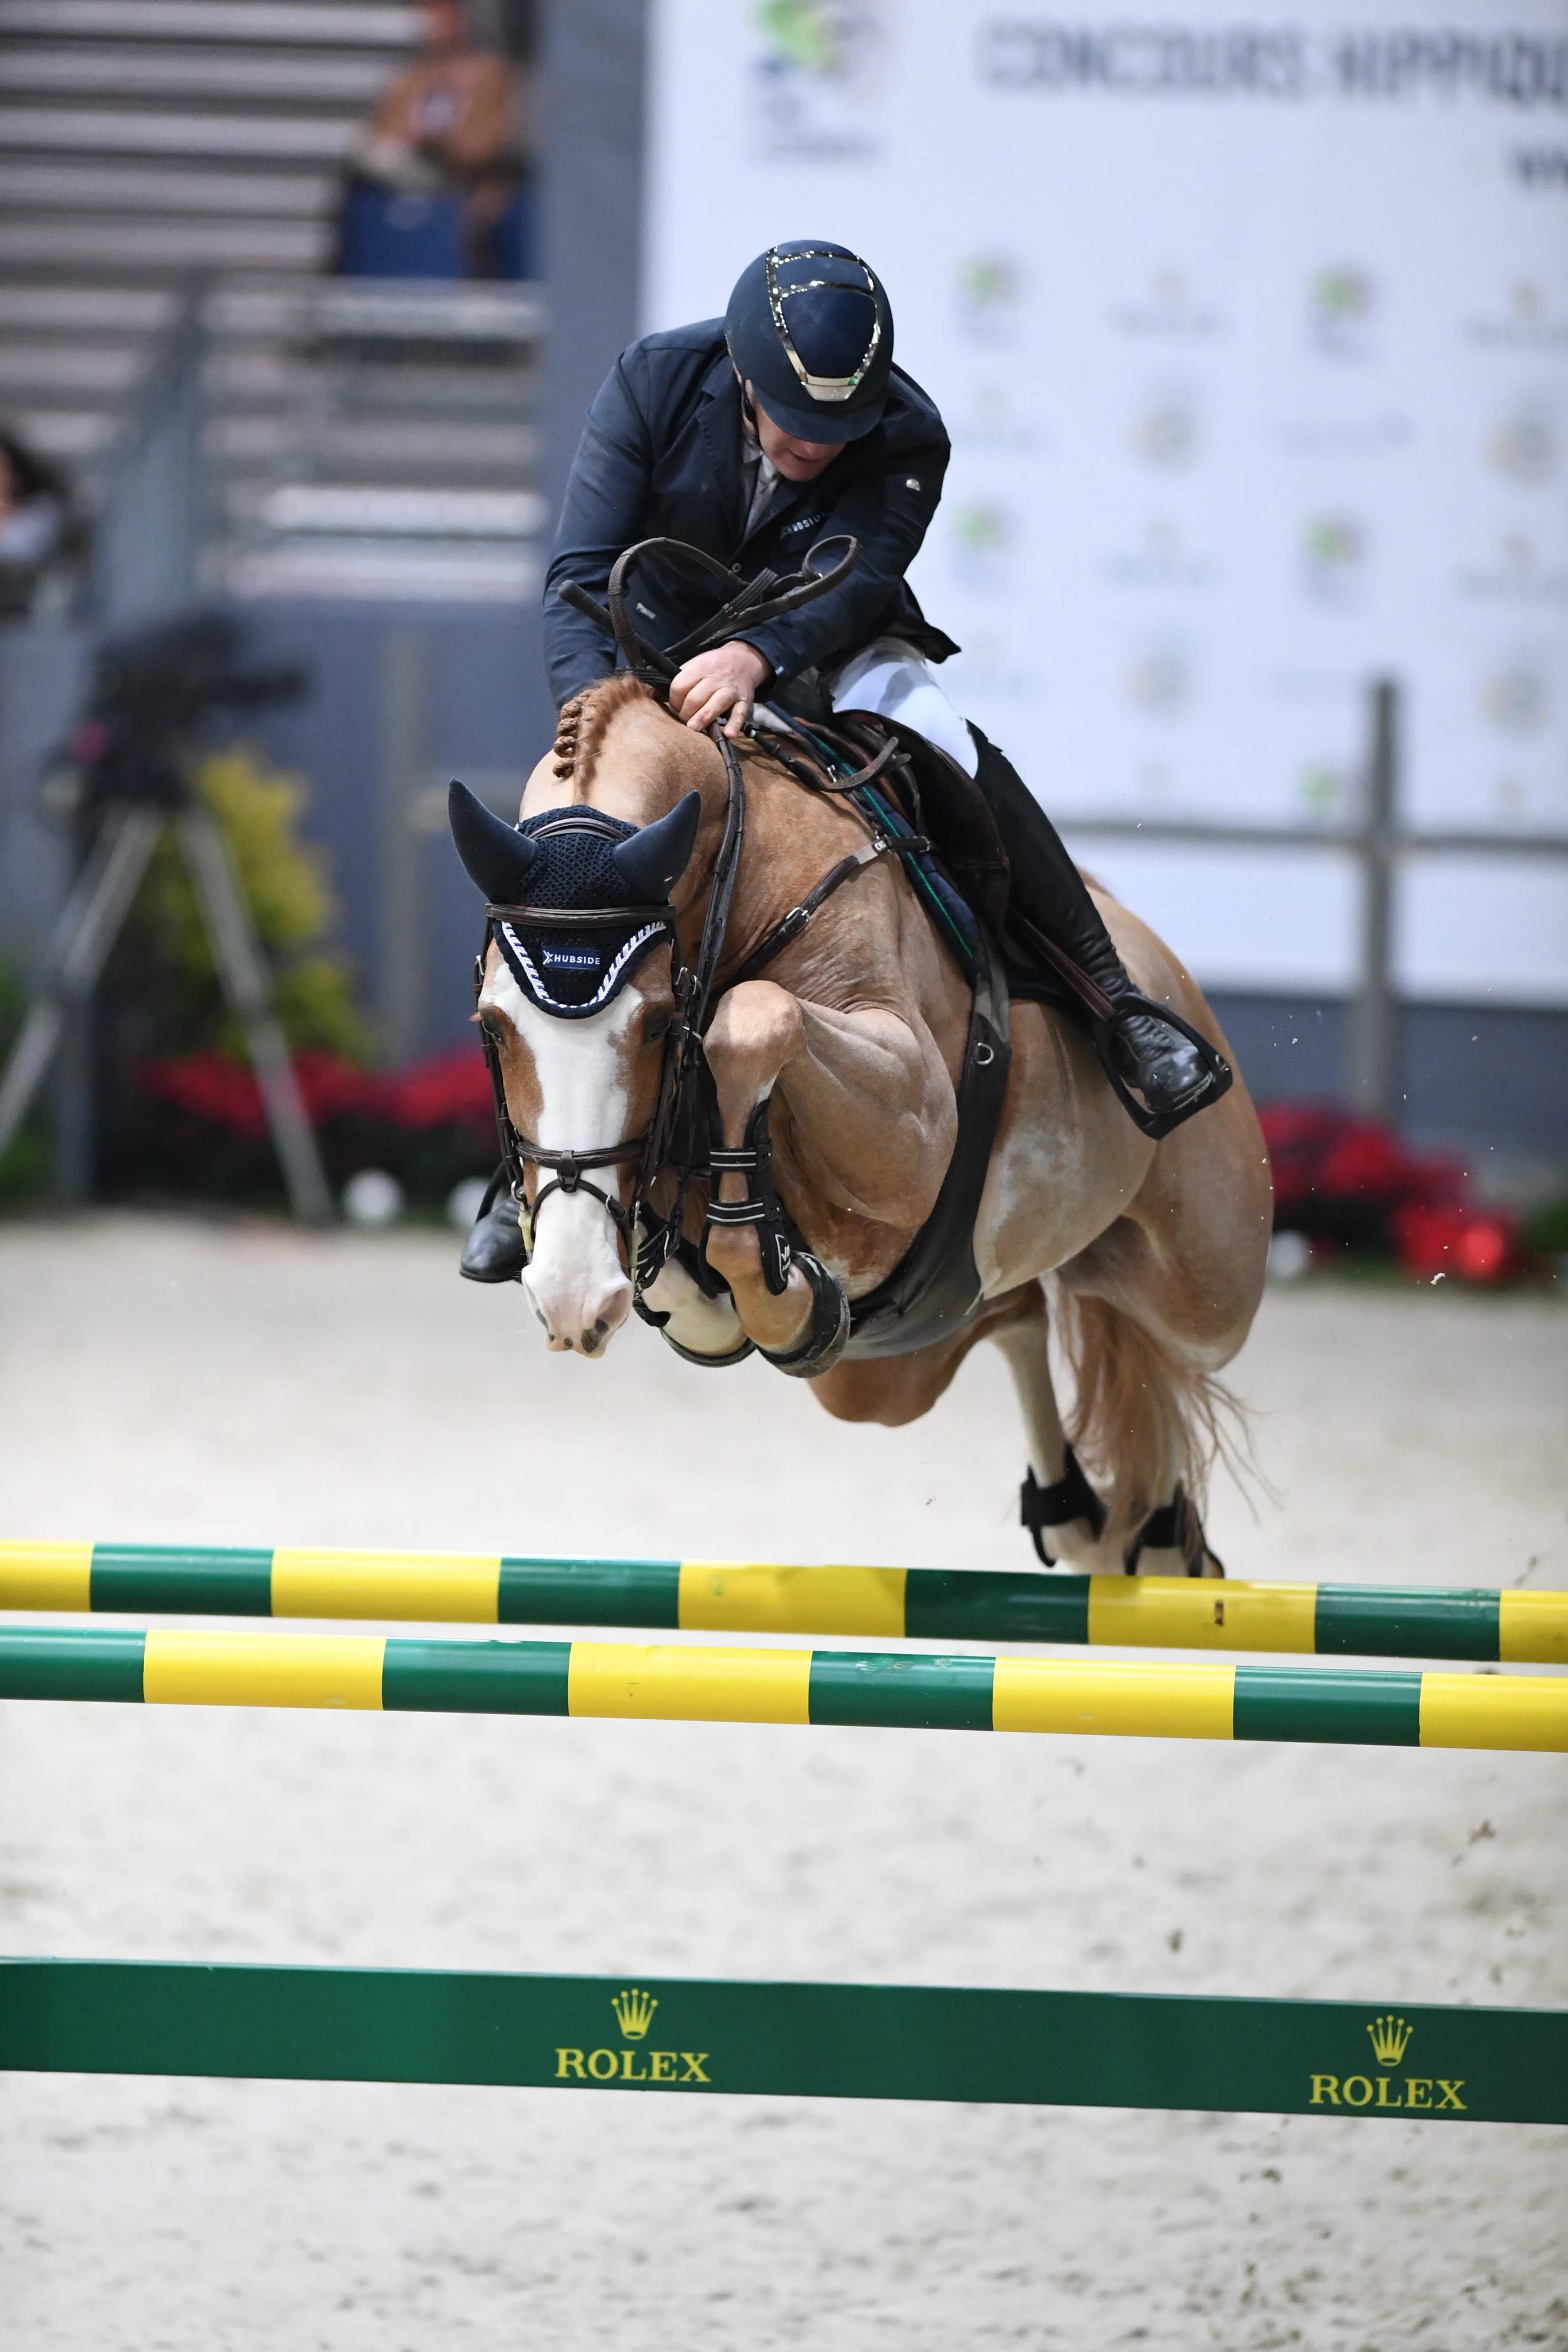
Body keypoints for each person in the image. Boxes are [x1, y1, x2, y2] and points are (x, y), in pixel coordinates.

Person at [463, 241, 1219, 1280]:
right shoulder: (653, 381)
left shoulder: (907, 430)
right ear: (741, 374)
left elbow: (856, 583)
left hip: (828, 648)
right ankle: (522, 1169)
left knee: (952, 743)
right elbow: (580, 577)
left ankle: (1115, 1006)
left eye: (835, 428)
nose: (812, 444)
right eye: (790, 418)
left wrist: (760, 654)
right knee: (561, 847)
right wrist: (602, 717)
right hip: (660, 661)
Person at [340, 0, 534, 279]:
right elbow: (388, 129)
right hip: (415, 172)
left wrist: (440, 142)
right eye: (429, 14)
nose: (432, 24)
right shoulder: (416, 76)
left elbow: (486, 143)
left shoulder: (493, 76)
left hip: (469, 182)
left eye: (441, 14)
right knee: (372, 157)